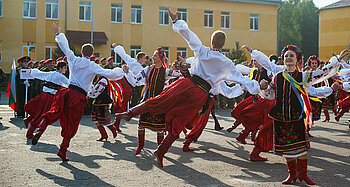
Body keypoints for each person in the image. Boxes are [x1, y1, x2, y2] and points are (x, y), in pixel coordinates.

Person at [115, 8, 261, 168]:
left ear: (212, 42)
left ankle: (130, 114)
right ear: (223, 44)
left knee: (159, 100)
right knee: (180, 121)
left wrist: (176, 21)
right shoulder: (226, 63)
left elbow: (190, 36)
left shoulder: (203, 51)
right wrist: (257, 87)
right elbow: (240, 81)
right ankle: (161, 151)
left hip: (187, 84)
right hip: (200, 94)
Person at [247, 44, 347, 185]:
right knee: (286, 148)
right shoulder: (277, 77)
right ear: (283, 58)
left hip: (296, 116)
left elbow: (323, 72)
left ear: (297, 60)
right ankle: (292, 174)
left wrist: (337, 60)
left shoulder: (303, 76)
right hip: (281, 117)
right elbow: (269, 95)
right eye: (286, 56)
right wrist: (262, 87)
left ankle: (303, 174)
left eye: (291, 56)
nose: (288, 58)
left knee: (302, 147)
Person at [31, 23, 126, 162]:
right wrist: (122, 71)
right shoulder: (93, 65)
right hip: (78, 96)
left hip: (67, 91)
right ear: (92, 54)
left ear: (81, 52)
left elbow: (65, 48)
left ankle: (40, 130)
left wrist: (58, 34)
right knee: (72, 123)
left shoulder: (73, 59)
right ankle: (62, 150)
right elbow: (109, 74)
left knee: (54, 111)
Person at [128, 47, 182, 155]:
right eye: (153, 55)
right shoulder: (147, 69)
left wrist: (186, 69)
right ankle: (140, 146)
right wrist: (127, 72)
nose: (153, 57)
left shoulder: (166, 71)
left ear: (161, 58)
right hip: (147, 101)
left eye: (155, 55)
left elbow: (179, 74)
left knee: (160, 128)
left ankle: (159, 149)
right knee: (141, 125)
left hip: (159, 103)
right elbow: (136, 79)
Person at [24, 62, 69, 139]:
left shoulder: (51, 73)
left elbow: (40, 74)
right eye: (65, 67)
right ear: (60, 68)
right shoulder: (61, 77)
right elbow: (70, 84)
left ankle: (29, 120)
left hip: (44, 95)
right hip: (50, 98)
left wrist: (33, 70)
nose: (66, 69)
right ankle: (30, 133)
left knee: (39, 111)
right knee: (42, 114)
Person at [88, 75, 118, 141]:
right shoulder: (99, 79)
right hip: (97, 102)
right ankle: (104, 135)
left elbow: (97, 91)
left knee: (104, 119)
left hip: (102, 102)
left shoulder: (103, 80)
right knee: (96, 120)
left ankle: (113, 130)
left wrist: (89, 95)